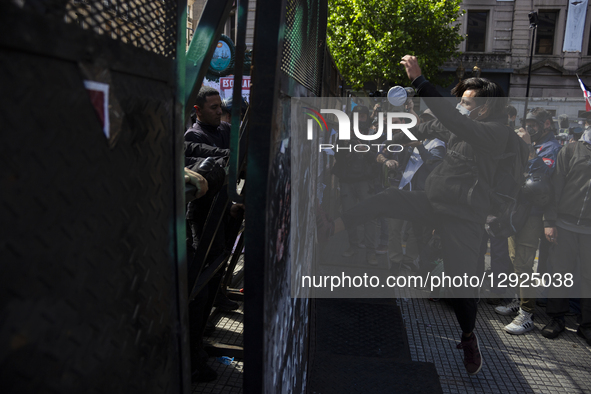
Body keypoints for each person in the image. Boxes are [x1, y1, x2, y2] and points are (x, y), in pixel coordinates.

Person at [318, 55, 516, 375]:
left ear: (486, 108)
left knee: (462, 289)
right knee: (388, 198)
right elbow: (425, 127)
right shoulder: (460, 123)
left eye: (468, 103)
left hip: (464, 217)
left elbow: (453, 121)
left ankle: (468, 338)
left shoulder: (495, 133)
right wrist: (386, 143)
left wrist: (421, 83)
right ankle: (332, 227)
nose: (462, 106)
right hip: (435, 201)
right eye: (461, 101)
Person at [495, 108, 561, 334]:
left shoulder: (552, 148)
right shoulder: (527, 144)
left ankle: (527, 314)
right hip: (516, 209)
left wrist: (530, 149)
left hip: (533, 214)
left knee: (524, 263)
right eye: (528, 123)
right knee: (515, 260)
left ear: (547, 124)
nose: (530, 126)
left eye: (535, 123)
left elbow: (543, 177)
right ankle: (518, 301)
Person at [540, 124, 591, 345]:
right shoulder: (571, 150)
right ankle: (556, 318)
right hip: (565, 223)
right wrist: (550, 222)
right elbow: (556, 186)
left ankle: (587, 325)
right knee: (560, 273)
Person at [332, 105, 379, 265]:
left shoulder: (373, 133)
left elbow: (379, 155)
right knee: (349, 215)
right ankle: (353, 246)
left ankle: (371, 252)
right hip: (347, 180)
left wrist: (365, 148)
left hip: (366, 181)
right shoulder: (346, 131)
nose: (360, 120)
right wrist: (344, 143)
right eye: (357, 116)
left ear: (367, 118)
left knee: (370, 216)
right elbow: (337, 154)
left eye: (363, 117)